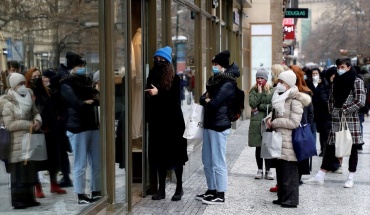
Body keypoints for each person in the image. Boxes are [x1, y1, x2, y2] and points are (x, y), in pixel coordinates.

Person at [304, 57, 365, 188]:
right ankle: (320, 175)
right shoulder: (336, 80)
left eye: (342, 67)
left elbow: (360, 101)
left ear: (349, 67)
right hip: (337, 118)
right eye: (338, 67)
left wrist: (345, 110)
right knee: (330, 147)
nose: (340, 70)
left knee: (352, 147)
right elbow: (331, 98)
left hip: (350, 119)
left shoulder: (357, 81)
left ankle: (351, 177)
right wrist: (332, 110)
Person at [196, 50, 240, 205]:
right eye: (213, 64)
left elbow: (213, 104)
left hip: (219, 125)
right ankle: (211, 189)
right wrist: (206, 100)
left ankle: (220, 193)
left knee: (218, 160)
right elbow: (202, 98)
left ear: (223, 66)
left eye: (216, 64)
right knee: (207, 159)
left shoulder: (228, 83)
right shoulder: (214, 80)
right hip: (209, 124)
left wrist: (208, 101)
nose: (213, 67)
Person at [145, 46, 188, 201]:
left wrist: (158, 93)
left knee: (176, 157)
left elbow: (174, 101)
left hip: (173, 124)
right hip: (157, 124)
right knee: (160, 157)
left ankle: (179, 188)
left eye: (162, 59)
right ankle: (161, 189)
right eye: (156, 59)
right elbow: (148, 100)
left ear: (168, 61)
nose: (158, 61)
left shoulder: (175, 79)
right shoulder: (151, 76)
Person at [264, 70, 311, 208]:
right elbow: (277, 114)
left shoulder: (295, 99)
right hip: (280, 139)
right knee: (281, 171)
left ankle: (290, 200)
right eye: (278, 81)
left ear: (289, 84)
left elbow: (294, 122)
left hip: (290, 141)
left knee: (289, 171)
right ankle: (282, 197)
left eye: (282, 82)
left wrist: (276, 122)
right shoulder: (280, 96)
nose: (279, 84)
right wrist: (269, 119)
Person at [60, 55, 101, 204]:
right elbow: (76, 102)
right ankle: (80, 194)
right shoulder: (66, 83)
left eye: (82, 65)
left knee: (97, 161)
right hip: (77, 128)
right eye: (79, 66)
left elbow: (95, 99)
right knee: (80, 163)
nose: (82, 68)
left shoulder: (86, 81)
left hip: (92, 125)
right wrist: (87, 101)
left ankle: (97, 190)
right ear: (72, 67)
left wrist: (89, 100)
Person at [24, 67, 67, 198]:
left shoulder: (46, 92)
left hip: (51, 130)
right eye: (34, 77)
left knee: (53, 158)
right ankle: (38, 187)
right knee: (36, 160)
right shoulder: (28, 93)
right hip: (36, 131)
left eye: (39, 76)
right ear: (29, 79)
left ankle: (54, 184)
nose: (37, 79)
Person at [2, 73, 42, 209]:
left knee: (29, 171)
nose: (23, 86)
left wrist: (37, 121)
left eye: (24, 83)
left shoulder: (28, 98)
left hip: (29, 140)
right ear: (13, 86)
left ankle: (29, 198)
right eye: (19, 84)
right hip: (16, 143)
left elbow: (35, 112)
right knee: (18, 173)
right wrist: (27, 124)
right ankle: (18, 201)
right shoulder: (8, 102)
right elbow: (9, 124)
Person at [289, 65, 314, 185]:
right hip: (287, 128)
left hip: (300, 129)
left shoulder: (305, 92)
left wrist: (305, 126)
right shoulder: (283, 89)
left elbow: (310, 114)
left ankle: (296, 179)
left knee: (299, 156)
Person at [248, 68, 274, 180]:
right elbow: (252, 104)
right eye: (258, 78)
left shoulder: (271, 90)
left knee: (267, 146)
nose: (259, 80)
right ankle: (259, 169)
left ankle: (268, 170)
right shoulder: (253, 91)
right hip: (256, 123)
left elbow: (273, 105)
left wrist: (260, 107)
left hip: (267, 122)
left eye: (262, 78)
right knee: (258, 147)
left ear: (266, 79)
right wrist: (259, 94)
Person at [268, 64, 285, 193]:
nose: (271, 74)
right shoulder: (275, 87)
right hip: (274, 124)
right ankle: (279, 183)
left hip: (280, 127)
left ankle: (281, 184)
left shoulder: (280, 88)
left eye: (272, 72)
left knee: (280, 156)